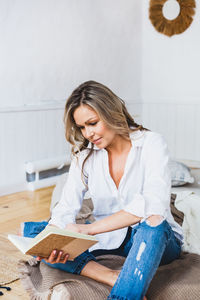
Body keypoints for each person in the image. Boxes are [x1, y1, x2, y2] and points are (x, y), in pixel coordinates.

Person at [35, 81, 183, 300]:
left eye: (92, 123)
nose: (88, 133)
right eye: (82, 127)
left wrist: (90, 229)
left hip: (154, 239)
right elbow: (65, 207)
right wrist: (55, 236)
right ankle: (111, 276)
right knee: (35, 233)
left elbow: (153, 204)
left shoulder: (152, 143)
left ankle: (123, 294)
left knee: (153, 222)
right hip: (108, 241)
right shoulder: (84, 157)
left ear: (111, 112)